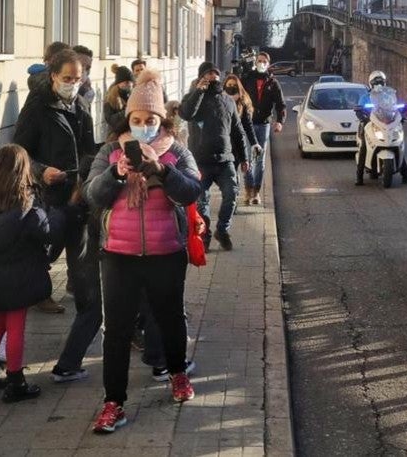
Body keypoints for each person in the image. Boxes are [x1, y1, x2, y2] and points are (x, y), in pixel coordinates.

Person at [87, 69, 204, 434]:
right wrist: (117, 175)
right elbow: (92, 195)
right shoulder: (110, 151)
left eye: (150, 120)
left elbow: (191, 192)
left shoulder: (177, 151)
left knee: (169, 318)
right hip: (118, 254)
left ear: (162, 120)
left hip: (165, 251)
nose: (143, 126)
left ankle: (178, 374)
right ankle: (113, 402)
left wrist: (163, 173)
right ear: (128, 119)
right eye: (136, 120)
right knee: (117, 330)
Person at [0, 145, 71, 402]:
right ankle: (15, 380)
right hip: (20, 274)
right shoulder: (24, 203)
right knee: (16, 325)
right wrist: (58, 213)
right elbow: (46, 230)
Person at [13, 48, 100, 315]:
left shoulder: (82, 106)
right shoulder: (38, 106)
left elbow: (88, 149)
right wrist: (41, 171)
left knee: (81, 250)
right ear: (53, 76)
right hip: (47, 193)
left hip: (76, 191)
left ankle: (86, 303)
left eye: (78, 79)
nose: (73, 84)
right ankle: (39, 293)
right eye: (67, 78)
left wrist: (82, 181)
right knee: (45, 248)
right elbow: (20, 150)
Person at [180, 62, 249, 250]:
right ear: (201, 76)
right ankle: (206, 235)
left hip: (225, 159)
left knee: (231, 194)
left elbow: (238, 130)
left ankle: (222, 229)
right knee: (202, 202)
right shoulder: (194, 96)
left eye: (215, 73)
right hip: (201, 160)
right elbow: (186, 114)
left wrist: (244, 158)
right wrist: (199, 92)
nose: (213, 77)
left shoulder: (227, 100)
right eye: (208, 74)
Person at [239, 51, 286, 205]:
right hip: (248, 124)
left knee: (260, 160)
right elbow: (237, 95)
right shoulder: (247, 79)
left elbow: (281, 105)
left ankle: (256, 192)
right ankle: (247, 189)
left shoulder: (273, 83)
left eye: (264, 61)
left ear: (268, 63)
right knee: (247, 157)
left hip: (264, 124)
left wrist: (280, 121)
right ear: (255, 62)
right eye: (259, 60)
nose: (261, 63)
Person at [355, 70, 407, 186]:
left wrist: (402, 113)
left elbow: (397, 106)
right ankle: (359, 176)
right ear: (371, 83)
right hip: (371, 124)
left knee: (398, 145)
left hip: (387, 123)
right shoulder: (366, 97)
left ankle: (406, 176)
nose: (378, 84)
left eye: (380, 81)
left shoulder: (389, 96)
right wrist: (363, 116)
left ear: (385, 82)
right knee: (364, 148)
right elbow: (359, 109)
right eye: (376, 82)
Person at [223, 74, 262, 204]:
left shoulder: (242, 102)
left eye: (234, 86)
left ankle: (233, 200)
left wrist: (254, 143)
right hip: (222, 144)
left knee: (233, 174)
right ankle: (230, 197)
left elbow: (248, 125)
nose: (231, 88)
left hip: (236, 144)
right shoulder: (220, 100)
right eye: (229, 86)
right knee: (226, 175)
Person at [103, 65, 134, 136]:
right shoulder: (110, 98)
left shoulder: (133, 95)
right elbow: (111, 120)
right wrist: (127, 111)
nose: (129, 84)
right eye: (126, 82)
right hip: (116, 136)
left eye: (130, 82)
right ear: (118, 83)